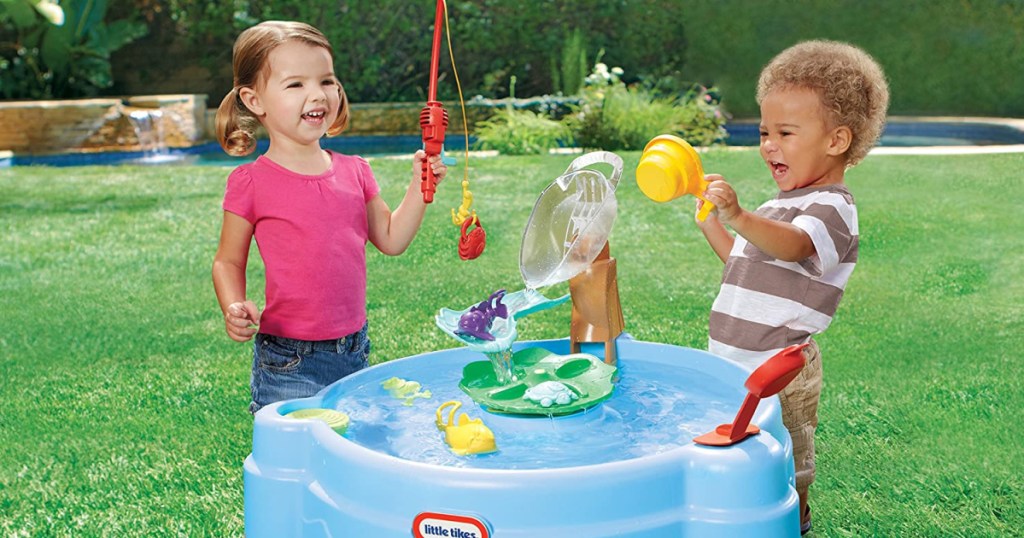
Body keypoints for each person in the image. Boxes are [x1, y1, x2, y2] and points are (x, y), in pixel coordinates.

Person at [696, 40, 889, 534]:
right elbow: (751, 265)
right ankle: (744, 514)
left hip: (780, 368)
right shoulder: (780, 204)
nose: (768, 144)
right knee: (741, 450)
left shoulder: (832, 207)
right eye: (764, 132)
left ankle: (791, 517)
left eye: (785, 132)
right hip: (734, 360)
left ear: (836, 140)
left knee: (785, 454)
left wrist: (739, 215)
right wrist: (716, 226)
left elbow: (796, 248)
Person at [211, 21, 447, 414]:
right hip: (289, 360)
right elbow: (228, 259)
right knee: (296, 457)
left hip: (353, 348)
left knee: (348, 451)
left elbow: (391, 239)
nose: (318, 94)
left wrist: (420, 187)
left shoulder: (355, 170)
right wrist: (233, 304)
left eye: (326, 80)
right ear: (255, 100)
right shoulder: (251, 182)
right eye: (295, 84)